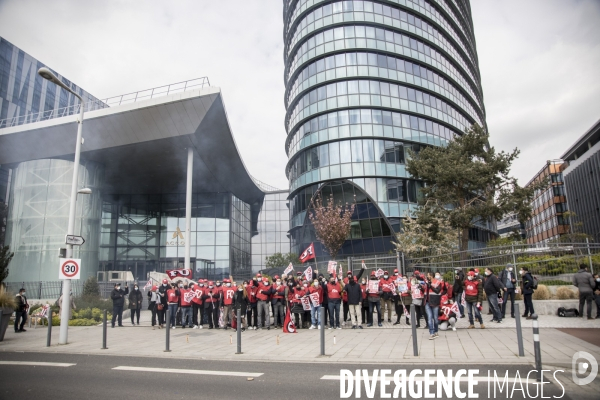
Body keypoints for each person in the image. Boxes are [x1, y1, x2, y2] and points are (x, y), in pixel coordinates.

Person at [424, 272, 442, 339]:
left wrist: (430, 286)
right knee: (429, 317)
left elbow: (437, 291)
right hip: (427, 302)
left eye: (428, 275)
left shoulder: (438, 282)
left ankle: (436, 331)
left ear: (431, 276)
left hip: (435, 302)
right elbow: (425, 292)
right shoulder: (426, 283)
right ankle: (431, 333)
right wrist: (421, 288)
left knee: (435, 318)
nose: (427, 276)